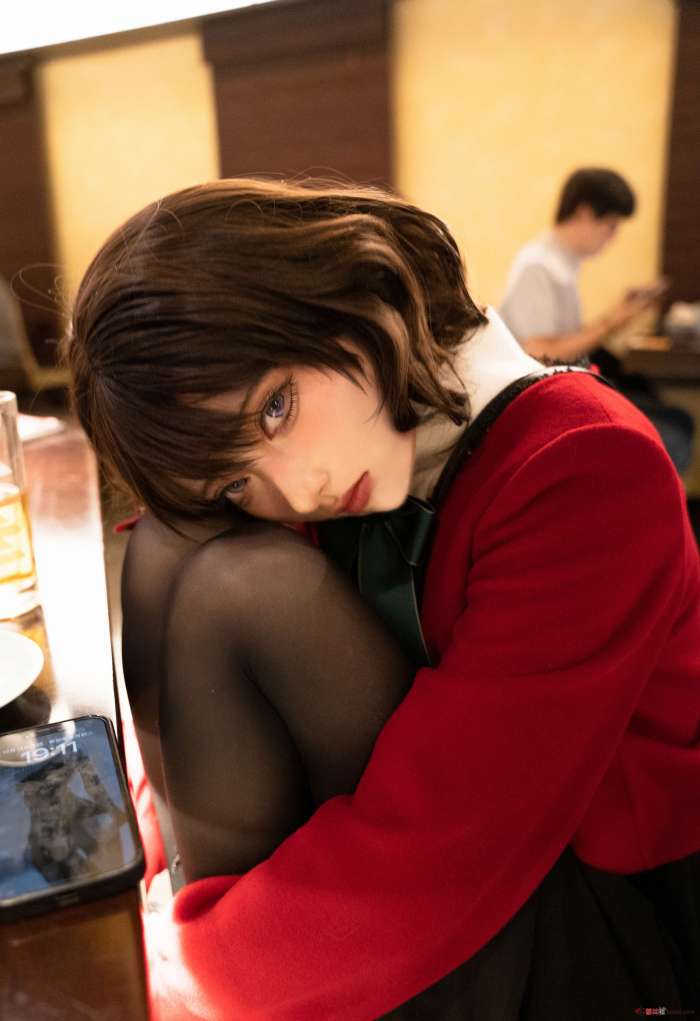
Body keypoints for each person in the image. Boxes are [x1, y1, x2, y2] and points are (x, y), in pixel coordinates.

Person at [64, 178, 700, 1020]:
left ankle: (229, 973)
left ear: (337, 287)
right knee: (169, 544)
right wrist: (148, 872)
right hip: (452, 859)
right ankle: (215, 941)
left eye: (276, 407)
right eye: (237, 479)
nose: (303, 488)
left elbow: (447, 851)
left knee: (234, 583)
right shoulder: (355, 436)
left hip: (590, 906)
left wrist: (175, 970)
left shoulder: (585, 465)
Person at [499, 167, 694, 472]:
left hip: (564, 389)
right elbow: (538, 351)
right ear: (584, 212)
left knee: (678, 420)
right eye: (611, 225)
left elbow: (564, 339)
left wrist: (616, 313)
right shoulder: (537, 267)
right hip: (545, 403)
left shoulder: (561, 263)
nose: (613, 238)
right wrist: (611, 323)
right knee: (671, 434)